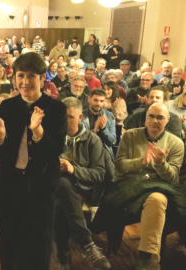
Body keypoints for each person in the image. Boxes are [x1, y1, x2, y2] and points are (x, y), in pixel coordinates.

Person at [0, 52, 67, 269]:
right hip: (9, 185)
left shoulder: (57, 109)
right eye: (20, 76)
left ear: (42, 77)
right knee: (9, 244)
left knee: (39, 246)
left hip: (41, 187)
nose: (25, 82)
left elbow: (55, 150)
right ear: (14, 78)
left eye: (31, 76)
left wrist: (38, 132)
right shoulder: (7, 107)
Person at [92, 102, 184, 270]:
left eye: (160, 117)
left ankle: (146, 258)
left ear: (168, 120)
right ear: (145, 117)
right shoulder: (131, 136)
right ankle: (150, 260)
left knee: (157, 199)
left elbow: (172, 178)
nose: (155, 121)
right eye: (151, 116)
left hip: (158, 187)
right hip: (130, 185)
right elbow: (120, 165)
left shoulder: (176, 143)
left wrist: (161, 164)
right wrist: (142, 161)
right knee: (155, 200)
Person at [55, 97, 111, 270]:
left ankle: (64, 260)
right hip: (57, 186)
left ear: (80, 117)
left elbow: (100, 174)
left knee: (61, 201)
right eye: (62, 117)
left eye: (70, 117)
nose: (65, 121)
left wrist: (73, 169)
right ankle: (87, 245)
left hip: (82, 188)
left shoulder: (92, 140)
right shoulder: (53, 137)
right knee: (62, 187)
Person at [82, 89, 117, 157]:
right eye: (96, 100)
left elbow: (113, 142)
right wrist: (94, 130)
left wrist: (103, 128)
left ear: (105, 101)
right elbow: (80, 140)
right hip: (86, 152)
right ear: (89, 99)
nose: (98, 103)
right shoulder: (81, 116)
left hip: (104, 152)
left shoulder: (109, 116)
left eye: (101, 101)